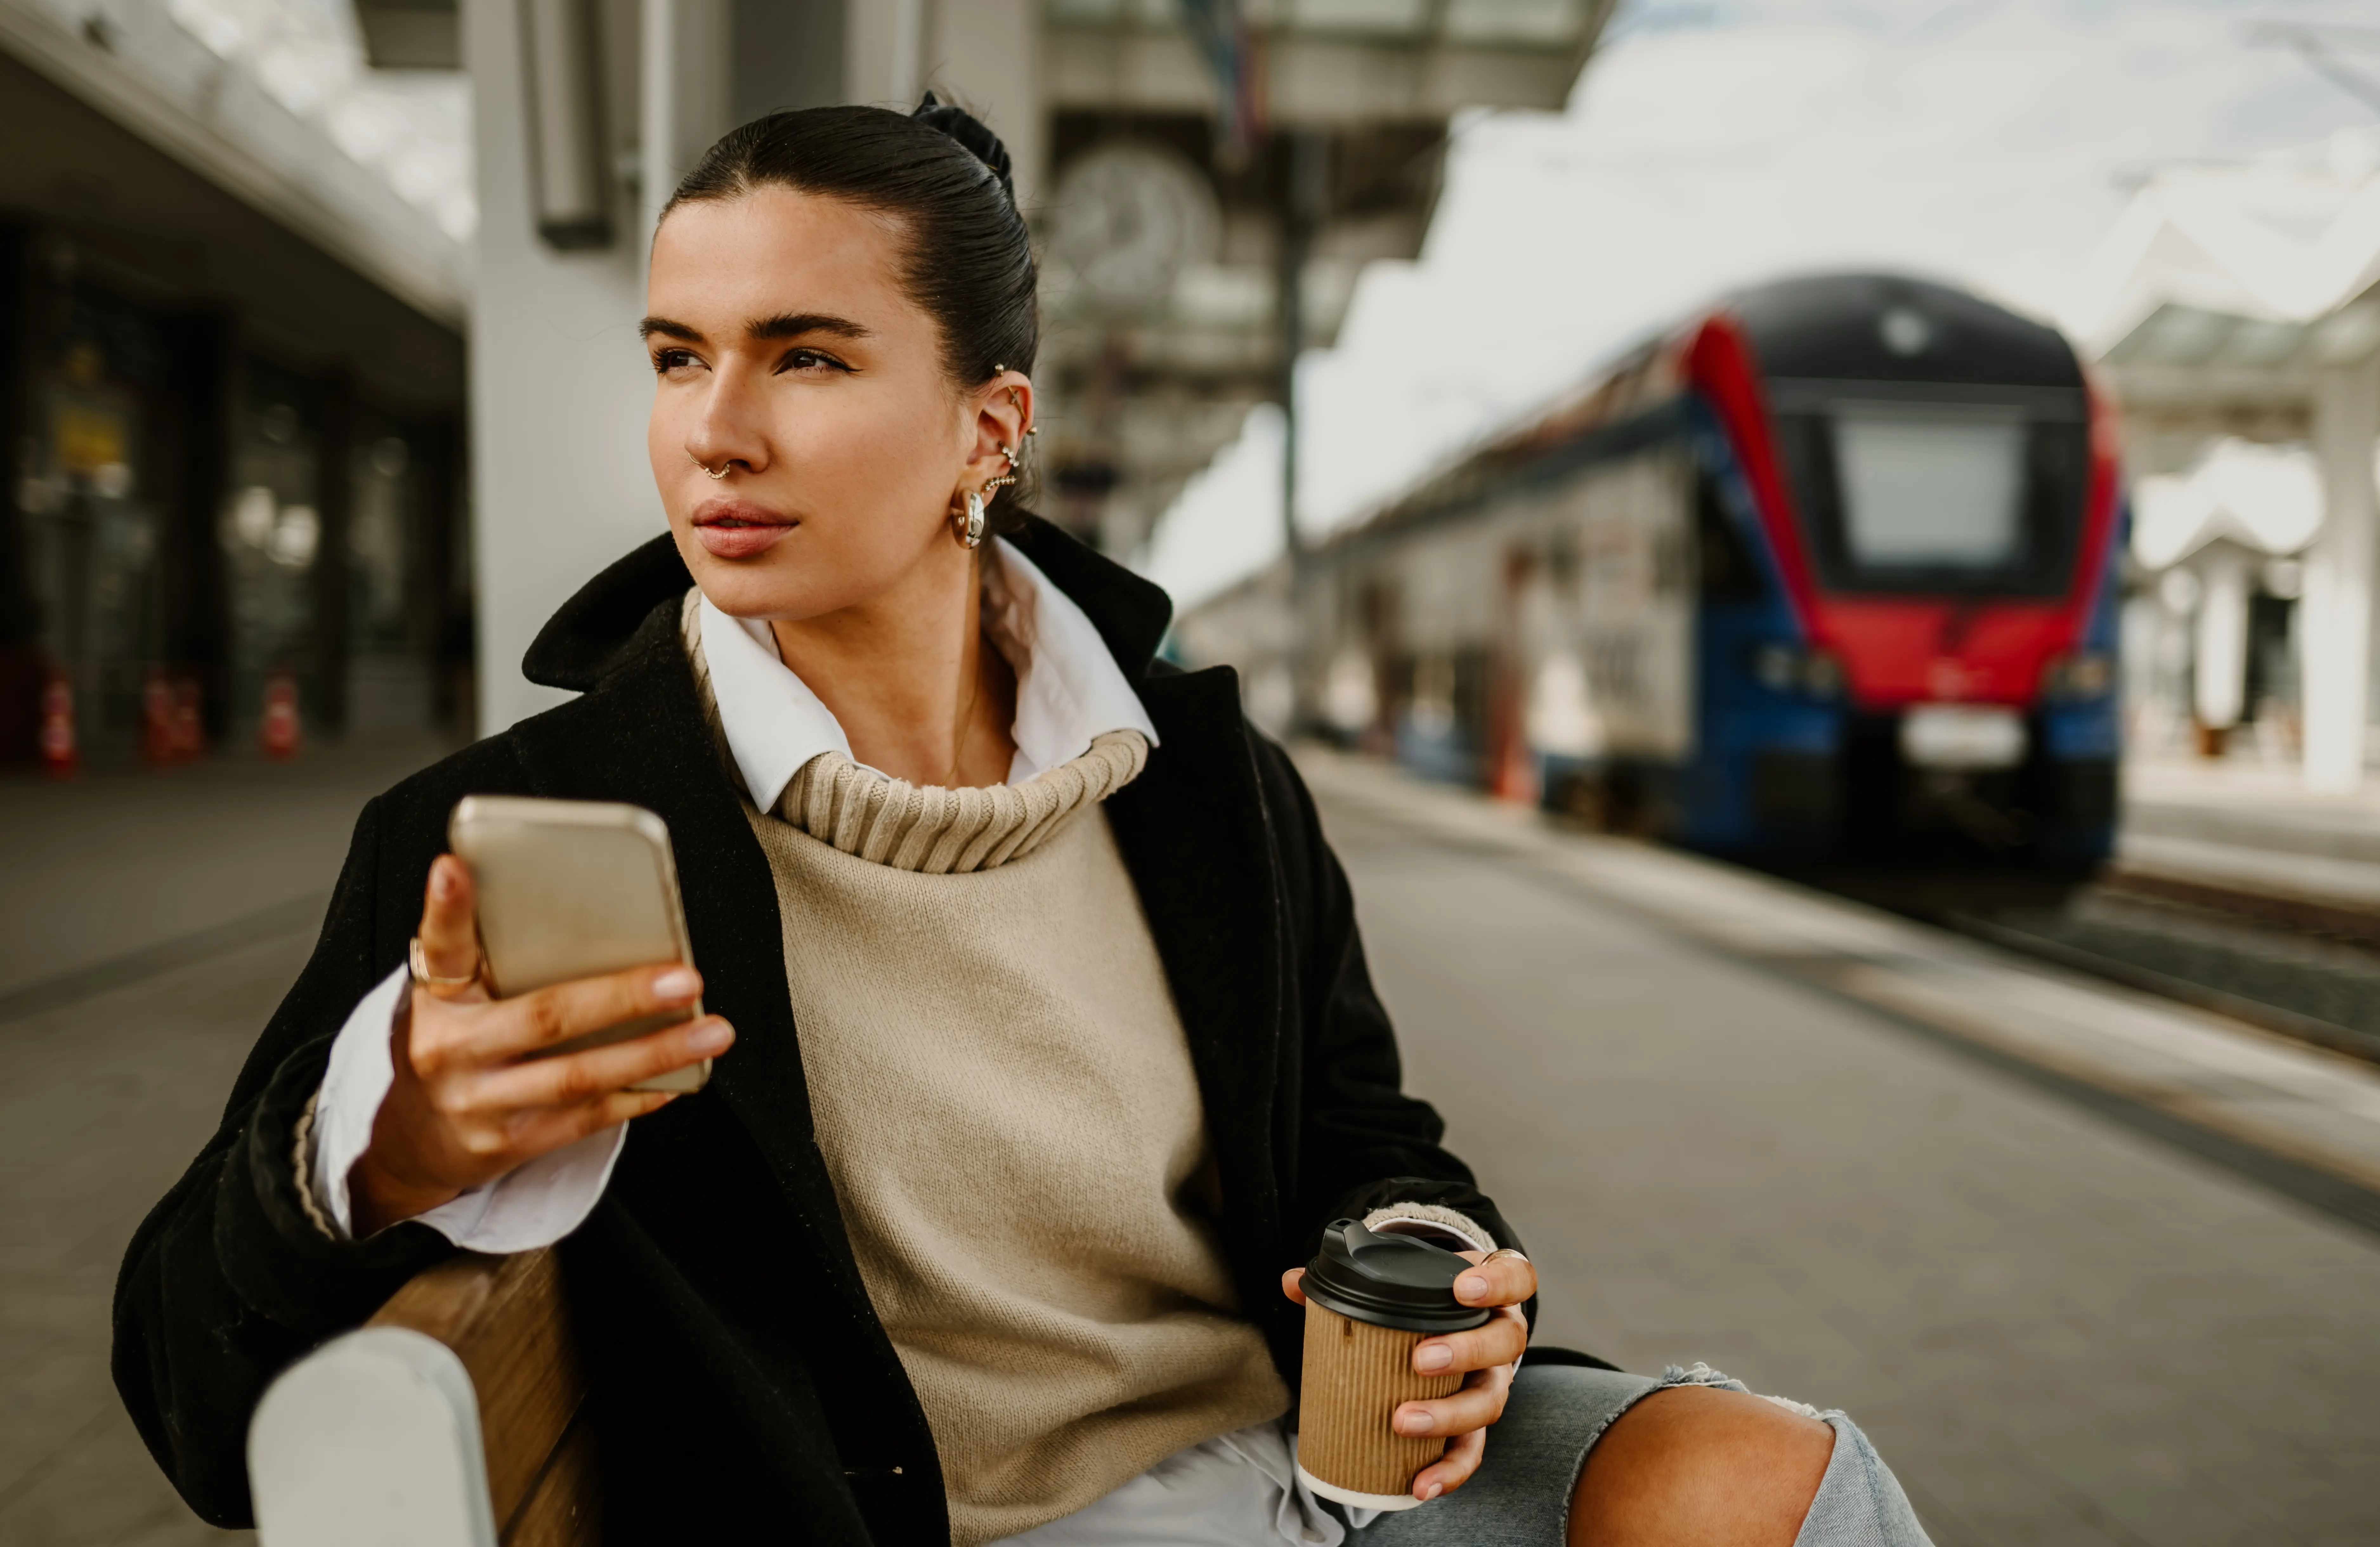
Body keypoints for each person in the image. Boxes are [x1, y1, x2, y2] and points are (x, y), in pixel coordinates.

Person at [114, 100, 1933, 1547]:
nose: (714, 434)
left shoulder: (1203, 776)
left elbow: (1369, 1139)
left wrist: (1438, 1267)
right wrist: (381, 1142)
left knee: (1761, 1475)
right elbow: (193, 1405)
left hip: (1327, 1474)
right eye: (679, 356)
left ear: (990, 428)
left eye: (807, 357)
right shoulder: (519, 822)